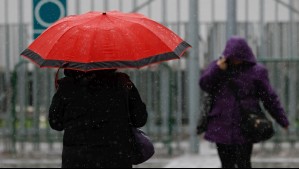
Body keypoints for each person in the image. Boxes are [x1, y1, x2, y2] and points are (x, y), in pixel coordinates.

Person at [199, 36, 289, 168]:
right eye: (232, 56)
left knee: (244, 163)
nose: (235, 60)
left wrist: (282, 119)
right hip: (221, 126)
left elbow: (269, 98)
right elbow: (204, 84)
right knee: (226, 164)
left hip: (245, 125)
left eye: (238, 56)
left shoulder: (256, 72)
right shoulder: (218, 67)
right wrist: (217, 70)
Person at [49, 69, 148, 168]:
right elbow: (140, 119)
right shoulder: (122, 82)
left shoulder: (67, 86)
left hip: (77, 160)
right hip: (116, 158)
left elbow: (56, 123)